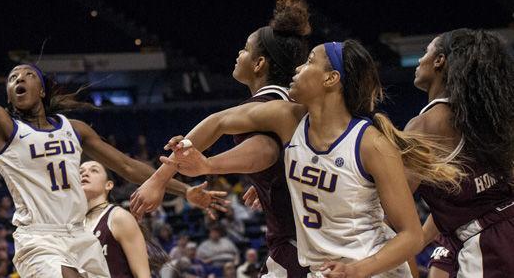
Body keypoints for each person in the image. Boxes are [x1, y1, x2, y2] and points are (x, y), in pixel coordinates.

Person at [0, 0, 226, 278]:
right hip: (39, 239)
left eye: (26, 75)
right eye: (12, 78)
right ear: (9, 95)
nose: (18, 80)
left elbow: (126, 166)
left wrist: (185, 191)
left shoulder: (75, 129)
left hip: (81, 235)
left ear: (41, 89)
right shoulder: (3, 127)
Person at [141, 40, 463, 277]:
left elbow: (409, 236)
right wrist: (178, 166)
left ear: (331, 79)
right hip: (321, 268)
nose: (297, 68)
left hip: (370, 269)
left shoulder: (371, 144)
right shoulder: (288, 118)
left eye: (310, 61)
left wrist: (357, 271)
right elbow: (221, 122)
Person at [132, 0, 311, 277]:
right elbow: (277, 156)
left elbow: (255, 144)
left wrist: (160, 179)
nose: (238, 54)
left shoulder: (267, 104)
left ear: (259, 64)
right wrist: (269, 180)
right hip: (302, 241)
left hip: (298, 246)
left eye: (244, 49)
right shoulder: (285, 101)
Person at [407, 29, 514, 278]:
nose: (421, 60)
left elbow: (396, 202)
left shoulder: (426, 125)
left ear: (439, 60)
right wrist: (419, 242)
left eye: (426, 52)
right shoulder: (485, 116)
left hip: (489, 242)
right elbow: (458, 205)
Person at [81, 160, 169, 277]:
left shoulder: (118, 217)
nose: (84, 174)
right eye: (80, 172)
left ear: (109, 185)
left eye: (94, 170)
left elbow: (143, 274)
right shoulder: (73, 223)